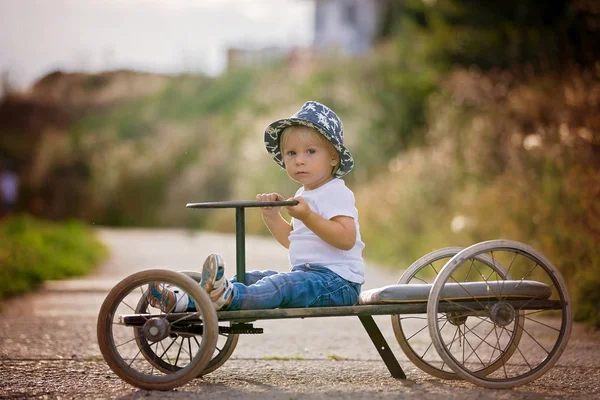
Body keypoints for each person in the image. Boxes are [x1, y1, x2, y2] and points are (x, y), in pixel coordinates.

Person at [148, 101, 365, 312]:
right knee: (249, 278)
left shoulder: (336, 192)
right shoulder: (304, 194)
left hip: (338, 282)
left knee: (280, 285)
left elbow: (345, 240)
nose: (299, 160)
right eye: (291, 153)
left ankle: (225, 297)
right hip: (309, 276)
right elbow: (294, 241)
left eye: (310, 151)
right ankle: (185, 300)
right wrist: (272, 216)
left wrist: (308, 216)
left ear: (334, 158)